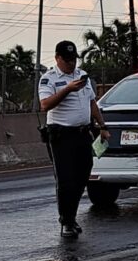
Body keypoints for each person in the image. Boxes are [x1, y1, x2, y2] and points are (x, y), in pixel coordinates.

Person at [38, 40, 110, 239]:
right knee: (66, 180)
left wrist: (102, 126)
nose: (71, 64)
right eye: (67, 60)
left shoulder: (82, 76)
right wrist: (67, 89)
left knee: (82, 175)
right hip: (61, 135)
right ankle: (67, 221)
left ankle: (71, 215)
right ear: (58, 58)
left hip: (82, 134)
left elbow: (92, 102)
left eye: (74, 60)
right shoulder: (49, 79)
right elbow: (45, 105)